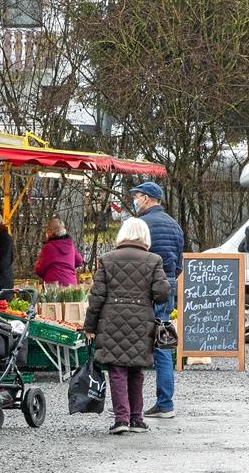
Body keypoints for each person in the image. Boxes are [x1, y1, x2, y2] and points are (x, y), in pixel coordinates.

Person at [83, 217, 170, 435]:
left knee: (117, 370)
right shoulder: (154, 260)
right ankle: (136, 419)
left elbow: (97, 297)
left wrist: (89, 326)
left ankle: (121, 419)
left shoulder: (107, 259)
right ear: (145, 236)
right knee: (136, 370)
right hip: (141, 321)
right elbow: (162, 295)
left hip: (111, 320)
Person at [134, 181, 184, 419]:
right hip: (168, 290)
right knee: (162, 345)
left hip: (145, 290)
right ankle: (165, 402)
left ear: (147, 199)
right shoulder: (175, 225)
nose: (136, 200)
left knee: (133, 343)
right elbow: (179, 265)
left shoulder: (142, 224)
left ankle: (131, 405)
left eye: (138, 196)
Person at [34, 216, 84, 286]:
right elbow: (79, 261)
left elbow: (39, 269)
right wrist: (68, 268)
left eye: (47, 230)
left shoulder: (49, 247)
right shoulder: (70, 244)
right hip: (71, 284)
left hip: (54, 286)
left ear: (51, 232)